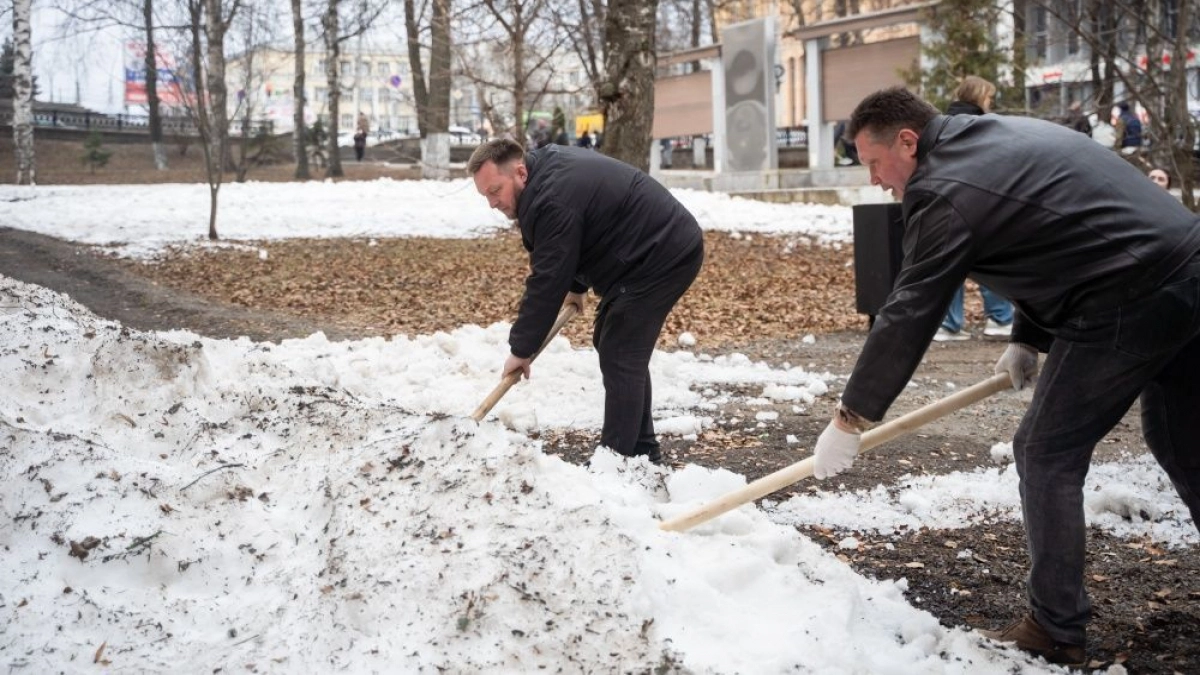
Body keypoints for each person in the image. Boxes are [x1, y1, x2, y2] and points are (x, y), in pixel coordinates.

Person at [814, 86, 1200, 668]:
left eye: (873, 162)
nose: (873, 179)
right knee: (1179, 437)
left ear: (908, 141)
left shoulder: (942, 190)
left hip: (1131, 292)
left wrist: (852, 416)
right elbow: (1048, 232)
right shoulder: (994, 136)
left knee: (1045, 452)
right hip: (1186, 268)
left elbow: (911, 308)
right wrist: (1028, 336)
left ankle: (1055, 628)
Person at [468, 139, 704, 464]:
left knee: (621, 351)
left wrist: (521, 349)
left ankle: (616, 462)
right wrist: (577, 285)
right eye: (486, 196)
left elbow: (547, 279)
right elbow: (578, 230)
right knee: (615, 344)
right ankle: (642, 451)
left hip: (661, 252)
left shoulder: (550, 200)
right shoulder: (544, 178)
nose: (492, 203)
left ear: (520, 172)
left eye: (495, 191)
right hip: (645, 248)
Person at [934, 76, 1013, 341]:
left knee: (953, 264)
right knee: (991, 261)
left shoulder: (941, 125)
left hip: (946, 202)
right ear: (980, 97)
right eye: (989, 97)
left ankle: (948, 323)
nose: (991, 103)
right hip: (982, 201)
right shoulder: (985, 126)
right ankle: (1000, 319)